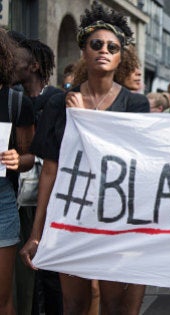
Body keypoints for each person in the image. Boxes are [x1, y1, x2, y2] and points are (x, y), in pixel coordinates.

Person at [19, 3, 150, 315]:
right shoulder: (56, 103)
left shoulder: (135, 104)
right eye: (96, 44)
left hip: (116, 219)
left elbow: (134, 165)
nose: (104, 50)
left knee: (114, 305)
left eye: (112, 46)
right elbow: (50, 172)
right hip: (72, 217)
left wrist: (86, 118)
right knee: (75, 305)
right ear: (83, 50)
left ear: (121, 56)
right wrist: (38, 233)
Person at [14, 38, 64, 315]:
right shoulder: (12, 99)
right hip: (20, 200)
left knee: (51, 275)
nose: (10, 63)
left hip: (50, 198)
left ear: (33, 65)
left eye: (16, 58)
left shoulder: (57, 100)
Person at [0, 27, 36, 315]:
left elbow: (30, 156)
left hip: (1, 201)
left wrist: (16, 158)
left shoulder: (15, 102)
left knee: (2, 296)